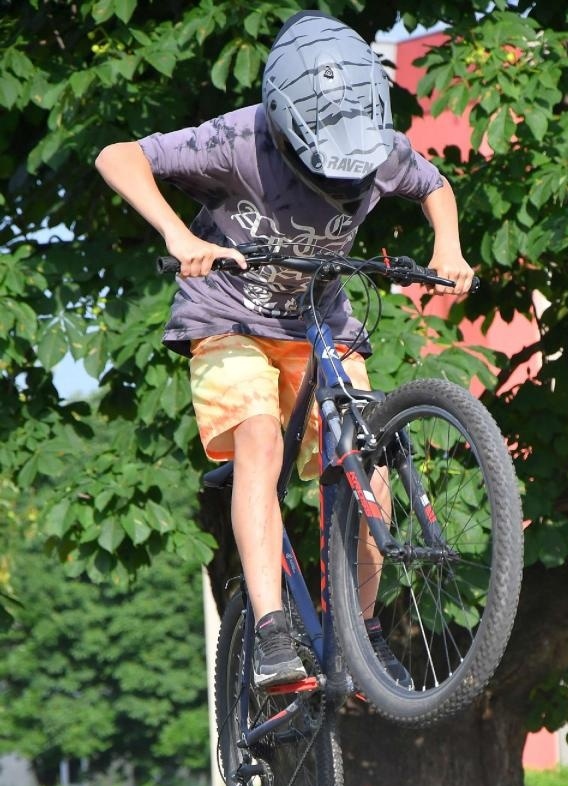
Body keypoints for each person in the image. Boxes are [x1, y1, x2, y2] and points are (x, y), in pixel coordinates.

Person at [95, 11, 474, 688]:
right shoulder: (239, 139)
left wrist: (448, 245)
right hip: (227, 318)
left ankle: (364, 633)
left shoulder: (378, 146)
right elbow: (118, 155)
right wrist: (180, 237)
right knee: (261, 443)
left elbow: (435, 186)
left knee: (369, 462)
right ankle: (272, 632)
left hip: (317, 322)